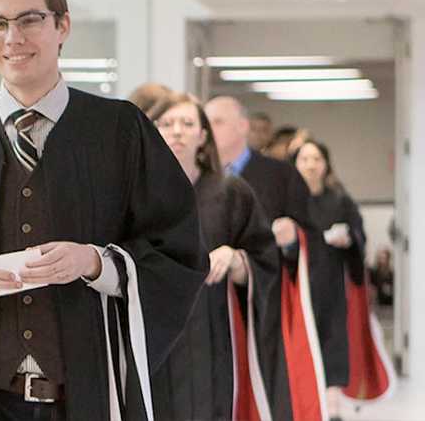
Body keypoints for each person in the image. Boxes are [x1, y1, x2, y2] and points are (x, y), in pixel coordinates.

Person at [0, 0, 206, 421]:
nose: (13, 38)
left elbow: (178, 252)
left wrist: (96, 262)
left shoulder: (120, 131)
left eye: (30, 19)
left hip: (85, 395)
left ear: (62, 26)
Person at [148, 93, 290, 420]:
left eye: (187, 123)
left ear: (202, 135)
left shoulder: (230, 191)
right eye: (167, 124)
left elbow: (265, 259)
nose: (177, 131)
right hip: (154, 331)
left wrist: (236, 258)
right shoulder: (138, 194)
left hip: (212, 333)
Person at [206, 95, 331, 420]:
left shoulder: (281, 175)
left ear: (242, 127)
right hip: (212, 305)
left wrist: (292, 239)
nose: (209, 129)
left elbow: (312, 236)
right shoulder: (200, 178)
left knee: (267, 393)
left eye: (217, 121)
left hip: (267, 304)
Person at [293, 140, 380, 417]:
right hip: (297, 282)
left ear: (326, 164)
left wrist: (349, 240)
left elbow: (359, 236)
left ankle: (331, 405)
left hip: (331, 280)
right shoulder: (288, 201)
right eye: (304, 159)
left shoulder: (340, 201)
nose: (310, 165)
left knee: (333, 340)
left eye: (316, 159)